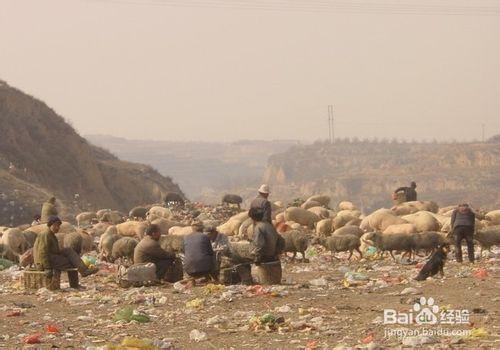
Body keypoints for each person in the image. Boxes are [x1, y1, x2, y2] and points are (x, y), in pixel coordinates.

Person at [33, 216, 98, 277]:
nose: (57, 228)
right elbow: (42, 252)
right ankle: (79, 278)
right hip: (43, 262)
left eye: (58, 226)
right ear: (50, 225)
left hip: (51, 257)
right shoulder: (46, 234)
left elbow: (53, 250)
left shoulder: (50, 234)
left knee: (68, 250)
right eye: (55, 225)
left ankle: (84, 270)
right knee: (73, 263)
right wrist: (47, 268)